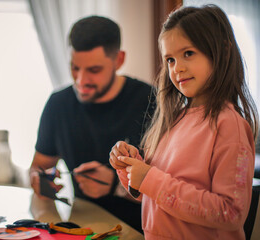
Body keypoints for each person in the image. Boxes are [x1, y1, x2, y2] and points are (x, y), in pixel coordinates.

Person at [109, 4, 259, 240]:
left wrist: (149, 178)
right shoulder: (174, 119)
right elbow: (154, 195)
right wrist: (131, 166)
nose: (177, 68)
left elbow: (230, 213)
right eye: (170, 59)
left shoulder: (229, 125)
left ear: (222, 52)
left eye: (188, 53)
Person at [29, 15, 155, 232]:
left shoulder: (151, 102)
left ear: (119, 60)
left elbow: (171, 190)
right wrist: (40, 180)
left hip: (140, 230)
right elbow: (38, 166)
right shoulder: (58, 104)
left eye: (93, 70)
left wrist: (117, 186)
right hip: (79, 228)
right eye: (74, 68)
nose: (81, 81)